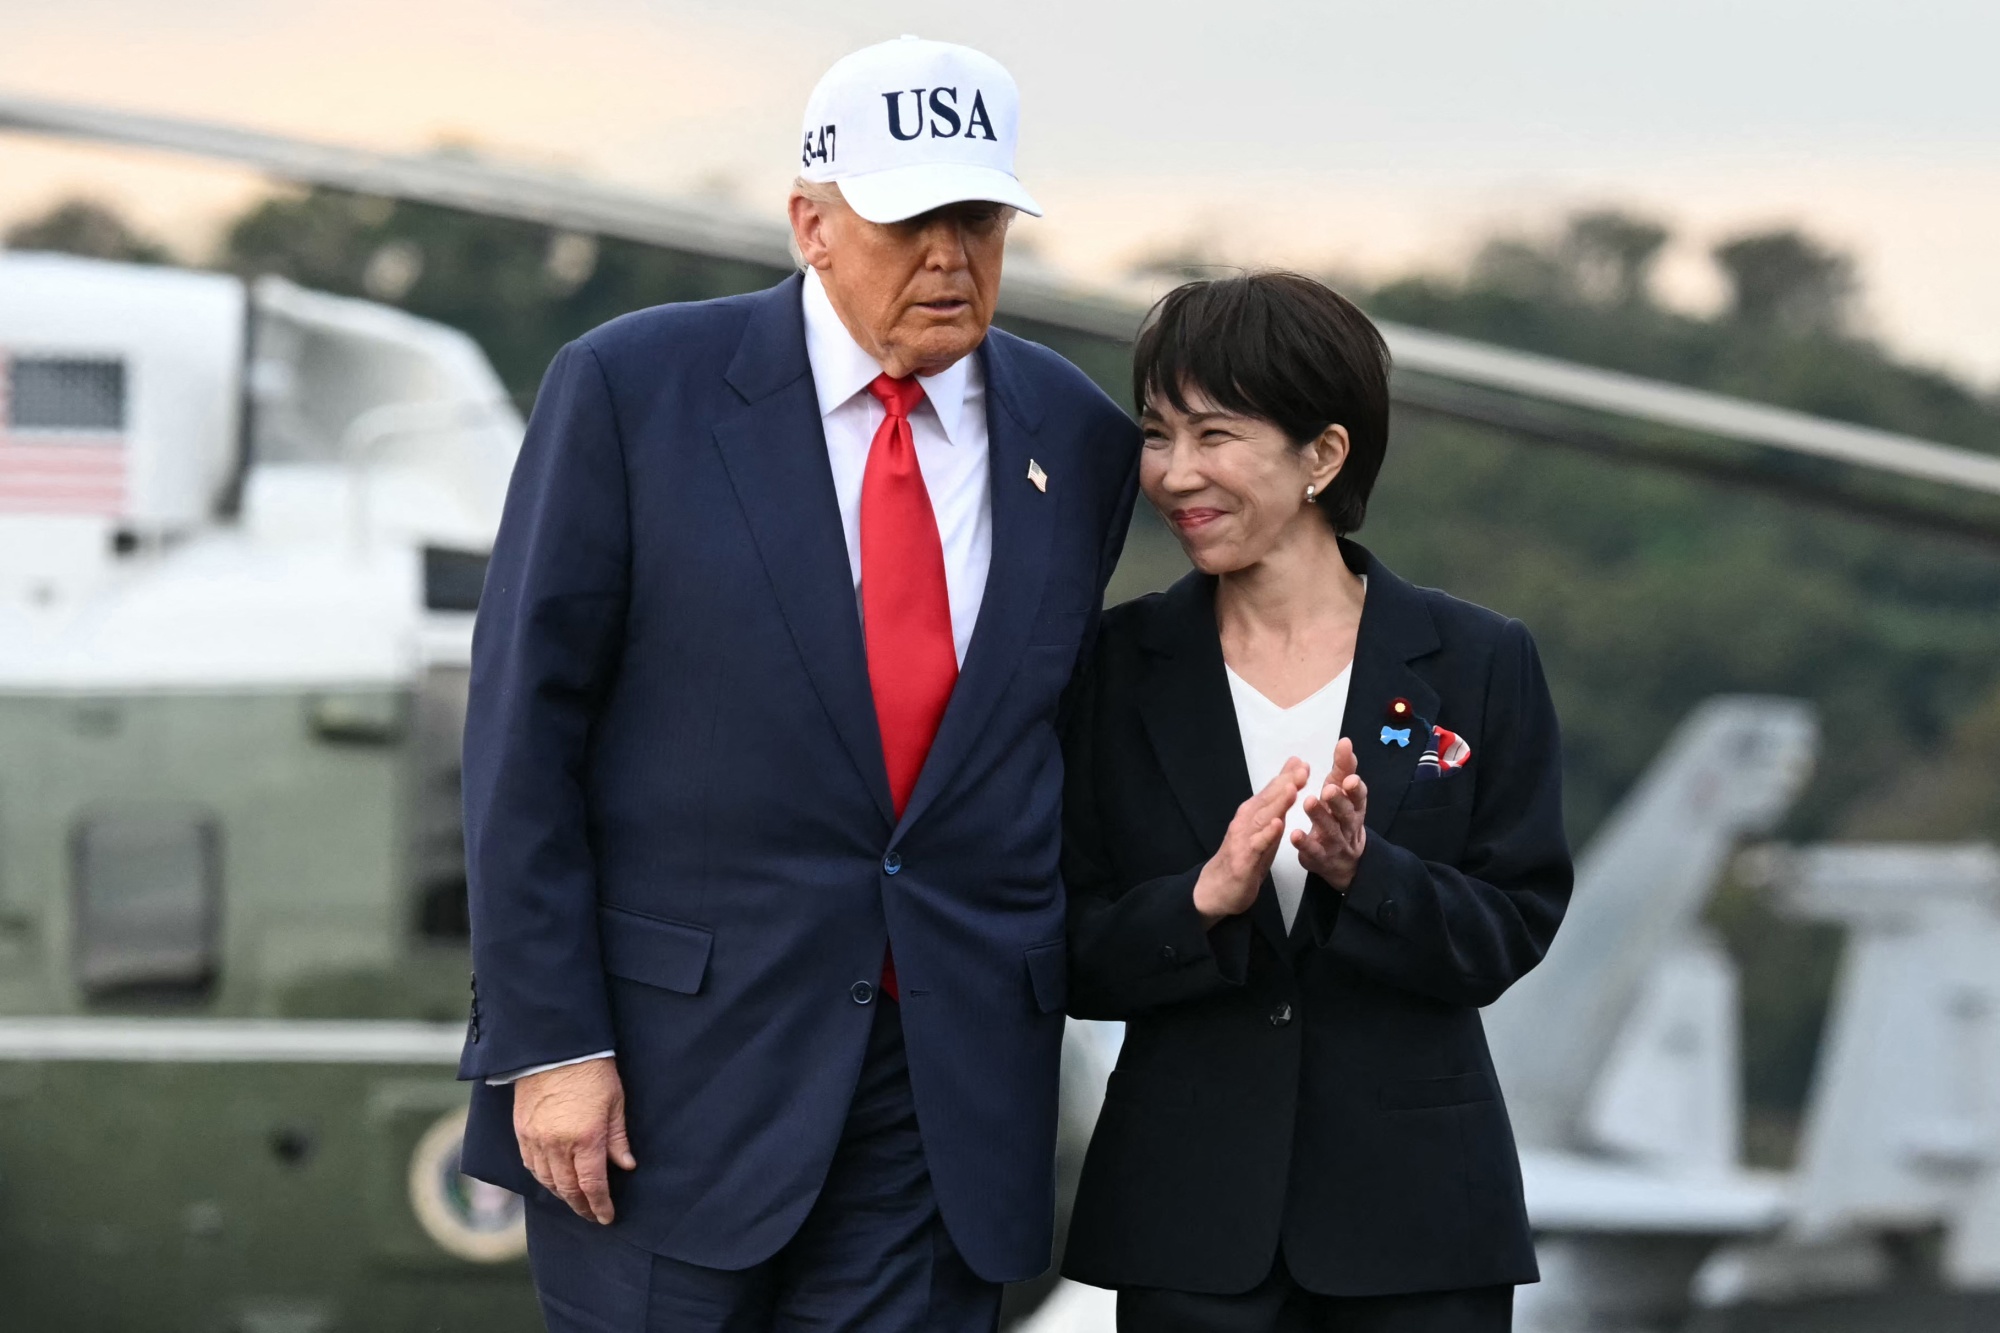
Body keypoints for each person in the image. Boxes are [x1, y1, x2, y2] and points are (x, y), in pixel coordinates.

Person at [454, 36, 1140, 1333]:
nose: (950, 254)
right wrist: (550, 1044)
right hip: (660, 1095)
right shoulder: (629, 390)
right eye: (908, 219)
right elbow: (518, 738)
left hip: (943, 1102)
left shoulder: (1077, 438)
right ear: (811, 225)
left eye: (977, 218)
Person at [1059, 272, 1572, 1332]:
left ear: (1322, 456)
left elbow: (1509, 930)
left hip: (1419, 1229)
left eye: (1213, 435)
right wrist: (1198, 901)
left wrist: (1364, 873)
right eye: (1157, 435)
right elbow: (1062, 947)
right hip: (1189, 1230)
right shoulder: (1110, 666)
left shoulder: (1476, 661)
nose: (1174, 472)